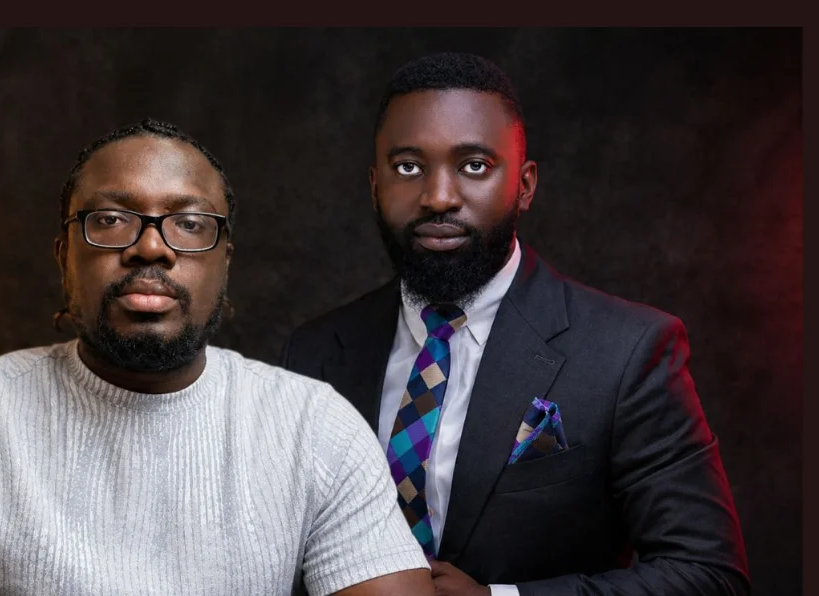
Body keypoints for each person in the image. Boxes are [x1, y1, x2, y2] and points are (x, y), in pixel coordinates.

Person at [0, 119, 434, 596]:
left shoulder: (313, 429)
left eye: (189, 223)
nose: (150, 248)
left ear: (224, 262)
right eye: (110, 219)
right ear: (64, 255)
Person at [281, 53, 750, 596]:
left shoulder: (627, 353)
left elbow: (709, 575)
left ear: (525, 186)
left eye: (474, 166)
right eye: (408, 167)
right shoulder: (314, 354)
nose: (438, 197)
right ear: (373, 185)